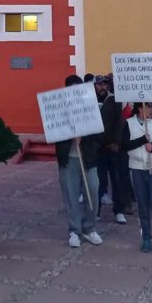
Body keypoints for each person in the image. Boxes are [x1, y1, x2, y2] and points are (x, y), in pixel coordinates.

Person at [55, 75, 104, 248]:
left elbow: (99, 132)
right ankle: (74, 230)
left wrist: (84, 135)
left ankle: (89, 228)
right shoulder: (58, 108)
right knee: (71, 195)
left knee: (93, 189)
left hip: (88, 158)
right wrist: (70, 135)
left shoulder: (90, 107)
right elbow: (54, 130)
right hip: (68, 158)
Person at [122, 102, 152, 255]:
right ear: (140, 108)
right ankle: (146, 238)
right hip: (137, 169)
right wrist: (142, 140)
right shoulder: (129, 124)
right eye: (148, 107)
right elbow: (125, 145)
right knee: (142, 205)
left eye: (151, 107)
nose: (151, 110)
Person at [94, 75, 126, 221]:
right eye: (99, 84)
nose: (102, 87)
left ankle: (119, 211)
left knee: (117, 180)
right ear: (95, 86)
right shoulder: (90, 101)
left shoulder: (114, 100)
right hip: (97, 148)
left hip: (112, 148)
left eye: (104, 84)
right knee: (98, 181)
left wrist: (117, 142)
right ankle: (96, 210)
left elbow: (120, 122)